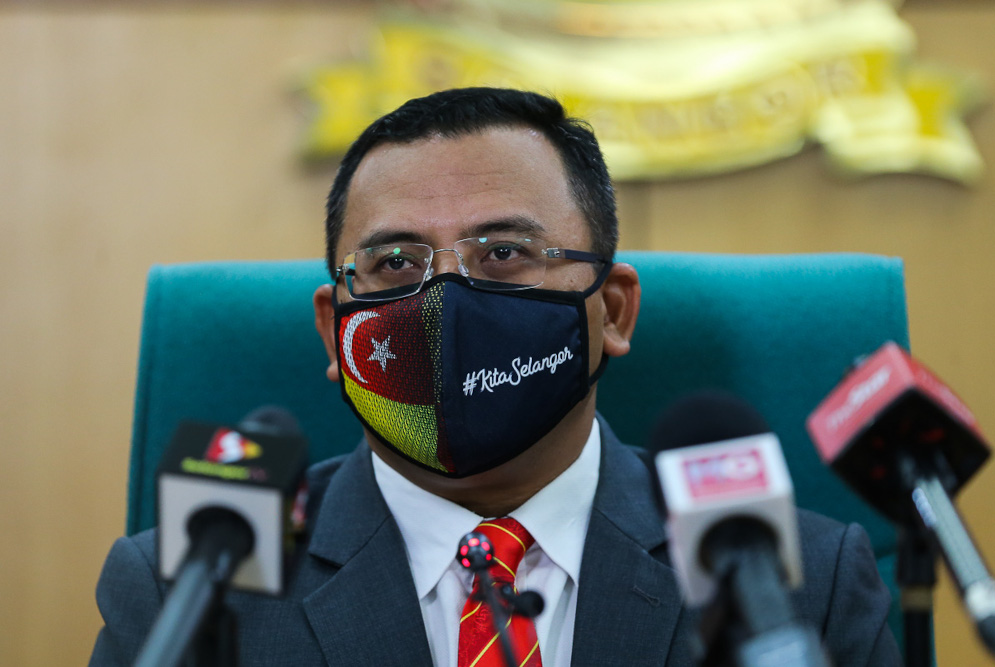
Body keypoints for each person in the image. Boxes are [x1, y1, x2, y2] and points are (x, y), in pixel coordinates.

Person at [89, 87, 901, 666]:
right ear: (336, 331)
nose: (444, 302)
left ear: (611, 310)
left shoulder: (794, 582)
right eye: (395, 262)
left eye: (504, 254)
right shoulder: (189, 591)